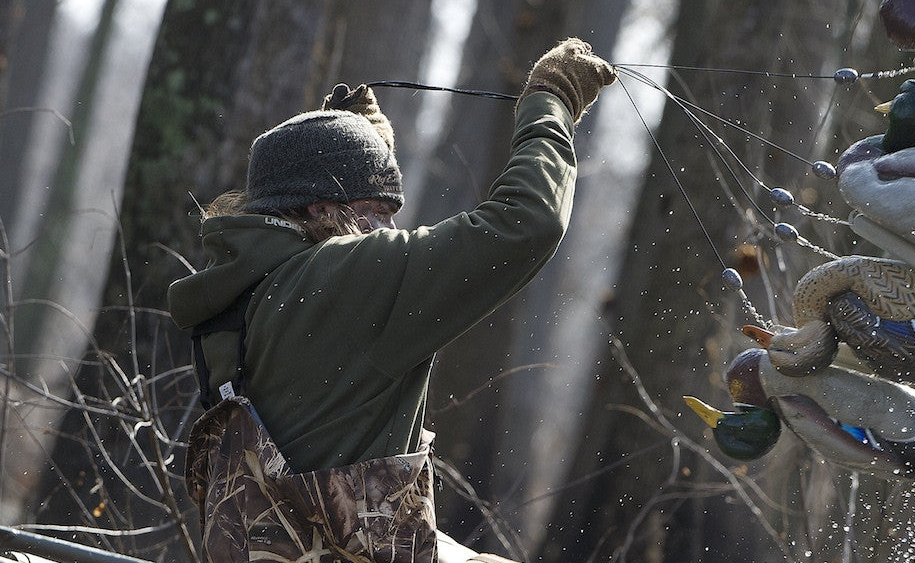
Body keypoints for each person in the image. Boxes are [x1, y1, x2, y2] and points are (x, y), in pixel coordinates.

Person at [169, 38, 615, 562]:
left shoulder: (245, 289)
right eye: (376, 209)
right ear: (316, 208)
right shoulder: (343, 280)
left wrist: (362, 153)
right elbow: (526, 223)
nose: (390, 228)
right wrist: (551, 100)